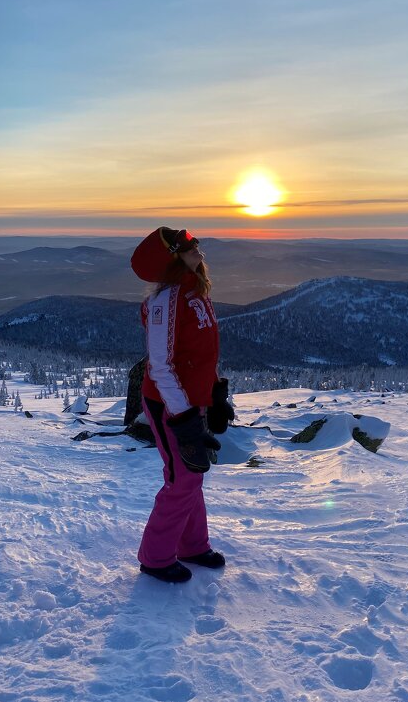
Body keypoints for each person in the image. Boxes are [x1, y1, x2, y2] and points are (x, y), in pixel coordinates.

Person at [130, 226, 234, 583]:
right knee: (182, 477)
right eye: (189, 247)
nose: (198, 250)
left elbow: (201, 355)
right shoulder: (165, 302)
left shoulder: (195, 293)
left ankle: (192, 545)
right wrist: (185, 415)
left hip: (192, 403)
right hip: (168, 405)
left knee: (193, 473)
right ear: (172, 258)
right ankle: (156, 557)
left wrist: (216, 394)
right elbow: (160, 366)